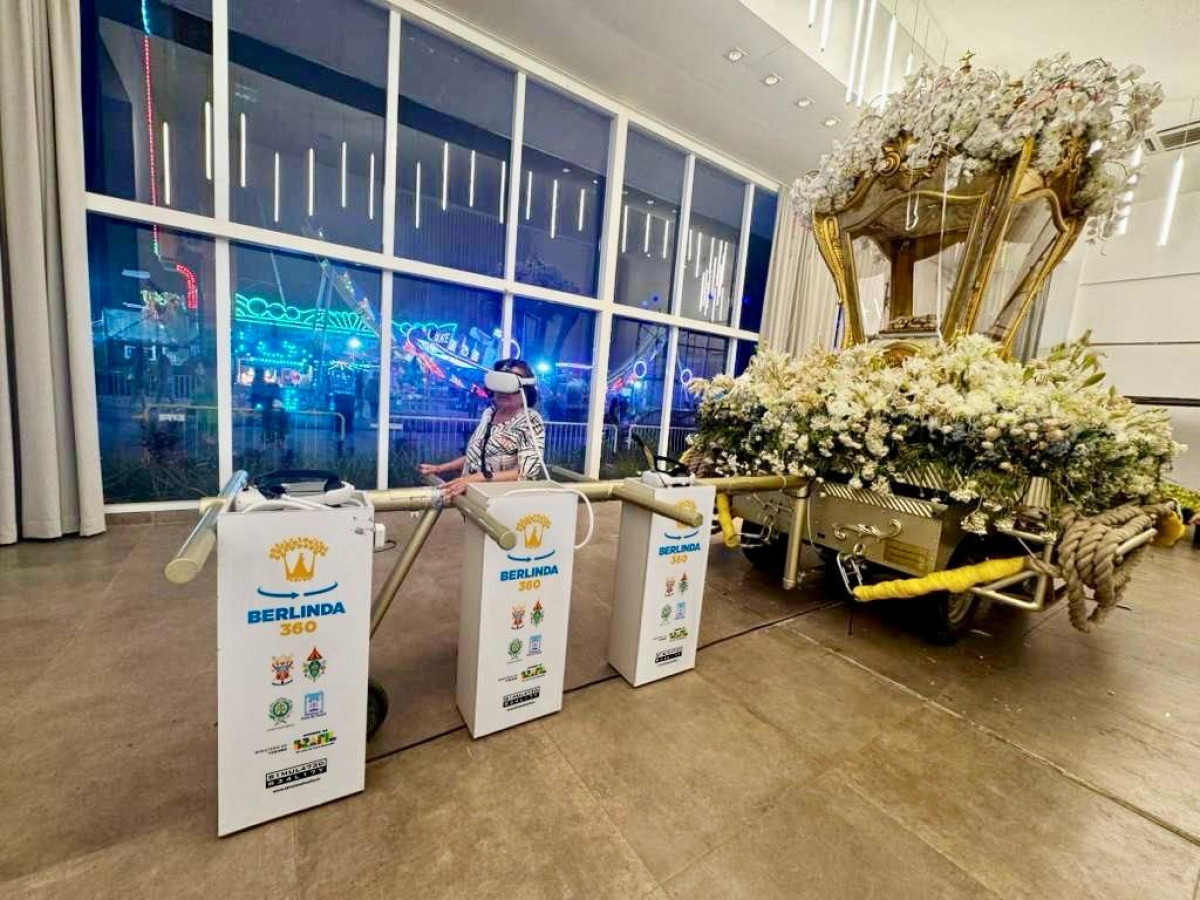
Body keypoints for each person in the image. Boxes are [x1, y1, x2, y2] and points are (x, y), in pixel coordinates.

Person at [418, 359, 545, 500]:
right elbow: (476, 456)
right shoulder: (489, 414)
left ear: (526, 390)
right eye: (499, 383)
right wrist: (440, 468)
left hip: (502, 501)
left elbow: (526, 473)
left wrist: (472, 480)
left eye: (510, 384)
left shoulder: (530, 421)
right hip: (473, 497)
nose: (503, 390)